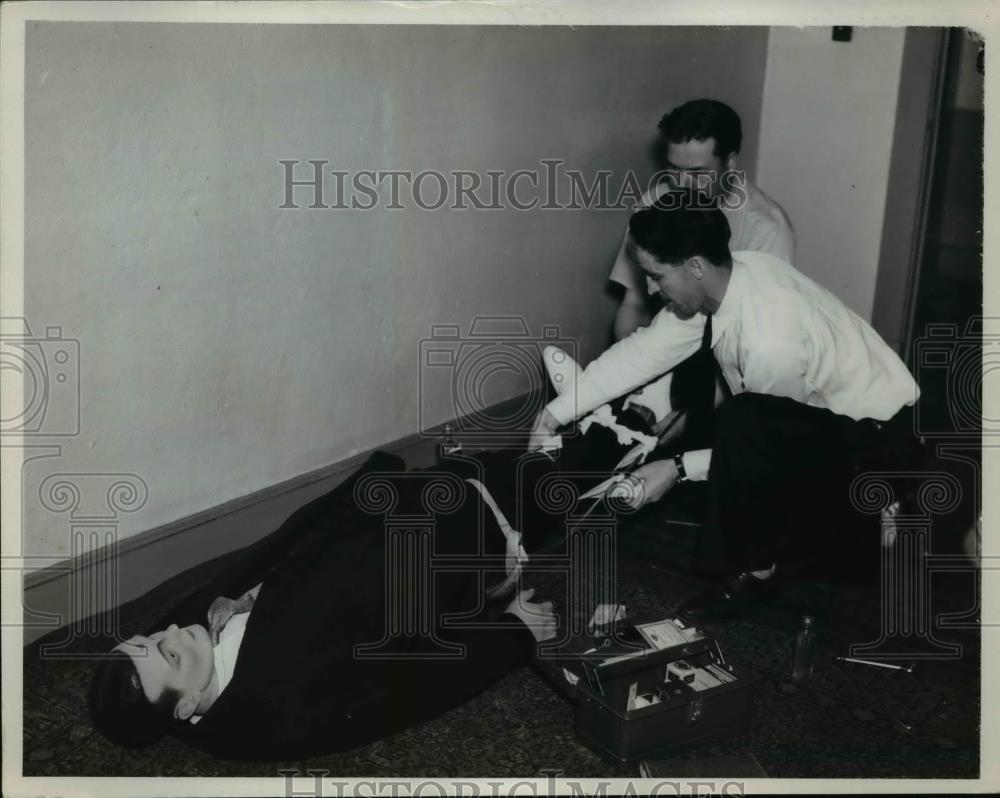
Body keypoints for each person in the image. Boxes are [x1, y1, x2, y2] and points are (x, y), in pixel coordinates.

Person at [89, 384, 658, 761]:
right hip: (442, 557)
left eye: (148, 637)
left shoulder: (187, 659)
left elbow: (173, 636)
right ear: (187, 708)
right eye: (165, 653)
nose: (169, 632)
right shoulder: (274, 712)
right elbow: (401, 694)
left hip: (380, 518)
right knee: (528, 494)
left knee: (498, 468)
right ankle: (627, 435)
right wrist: (510, 633)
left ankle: (580, 434)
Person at [530, 190, 921, 622]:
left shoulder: (771, 340)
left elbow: (772, 451)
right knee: (730, 435)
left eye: (656, 275)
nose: (649, 288)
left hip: (877, 443)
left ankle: (848, 532)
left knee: (739, 425)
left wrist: (675, 470)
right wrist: (556, 413)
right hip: (830, 427)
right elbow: (645, 352)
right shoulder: (729, 277)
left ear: (695, 266)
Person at [608, 99, 795, 447]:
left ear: (730, 164)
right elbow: (632, 305)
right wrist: (628, 384)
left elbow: (751, 351)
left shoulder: (767, 230)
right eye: (673, 169)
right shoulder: (653, 206)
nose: (681, 185)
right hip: (658, 354)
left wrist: (697, 420)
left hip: (724, 373)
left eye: (697, 174)